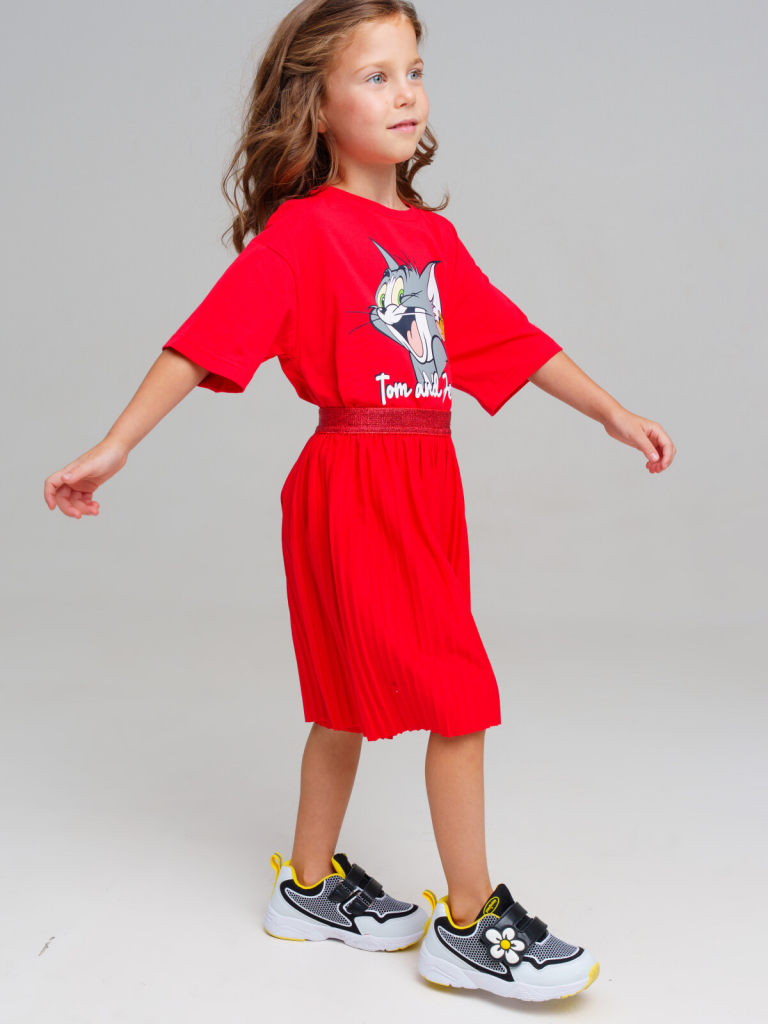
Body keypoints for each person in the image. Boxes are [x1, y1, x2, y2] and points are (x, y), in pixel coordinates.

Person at [43, 0, 675, 1003]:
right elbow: (204, 340)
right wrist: (115, 445)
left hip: (426, 479)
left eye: (413, 70)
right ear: (318, 103)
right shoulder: (303, 234)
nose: (405, 93)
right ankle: (469, 922)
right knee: (456, 696)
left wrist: (612, 411)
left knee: (345, 698)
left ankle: (306, 887)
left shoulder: (432, 238)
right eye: (376, 76)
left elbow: (513, 337)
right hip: (353, 480)